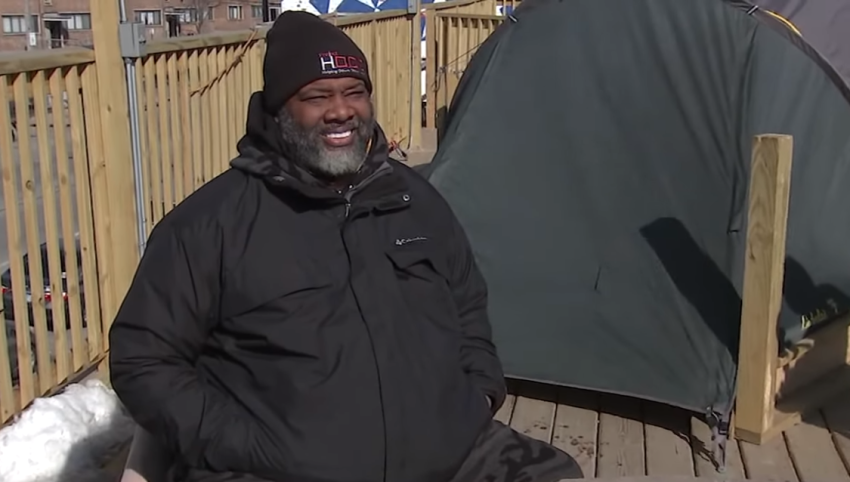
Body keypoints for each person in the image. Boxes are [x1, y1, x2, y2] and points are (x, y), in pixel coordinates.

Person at [109, 10, 583, 482]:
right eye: (317, 97)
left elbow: (468, 304)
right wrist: (243, 444)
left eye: (354, 92)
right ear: (278, 110)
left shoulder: (415, 200)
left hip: (450, 454)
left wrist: (476, 396)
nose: (340, 110)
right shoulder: (209, 225)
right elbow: (143, 360)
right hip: (276, 471)